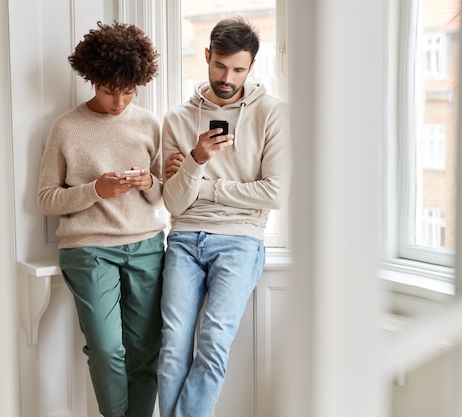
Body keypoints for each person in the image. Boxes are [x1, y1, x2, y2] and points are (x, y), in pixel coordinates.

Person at [158, 16, 292, 417]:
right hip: (183, 239)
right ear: (207, 56)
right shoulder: (178, 119)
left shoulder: (272, 114)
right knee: (172, 345)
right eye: (219, 65)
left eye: (238, 69)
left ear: (251, 67)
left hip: (240, 240)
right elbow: (174, 204)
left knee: (213, 344)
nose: (227, 77)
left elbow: (274, 193)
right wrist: (197, 158)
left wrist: (204, 185)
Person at [37, 21, 165, 417]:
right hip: (89, 250)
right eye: (111, 91)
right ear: (93, 78)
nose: (119, 102)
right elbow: (46, 199)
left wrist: (149, 181)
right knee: (108, 348)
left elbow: (162, 193)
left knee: (145, 351)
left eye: (129, 91)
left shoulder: (148, 123)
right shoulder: (67, 128)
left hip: (146, 246)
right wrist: (96, 190)